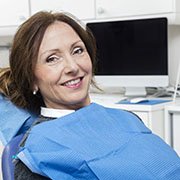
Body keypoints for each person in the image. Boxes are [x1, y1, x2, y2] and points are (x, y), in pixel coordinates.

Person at [0, 11, 180, 180]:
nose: (73, 67)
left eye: (77, 50)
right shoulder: (36, 155)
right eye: (52, 58)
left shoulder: (128, 118)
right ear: (32, 79)